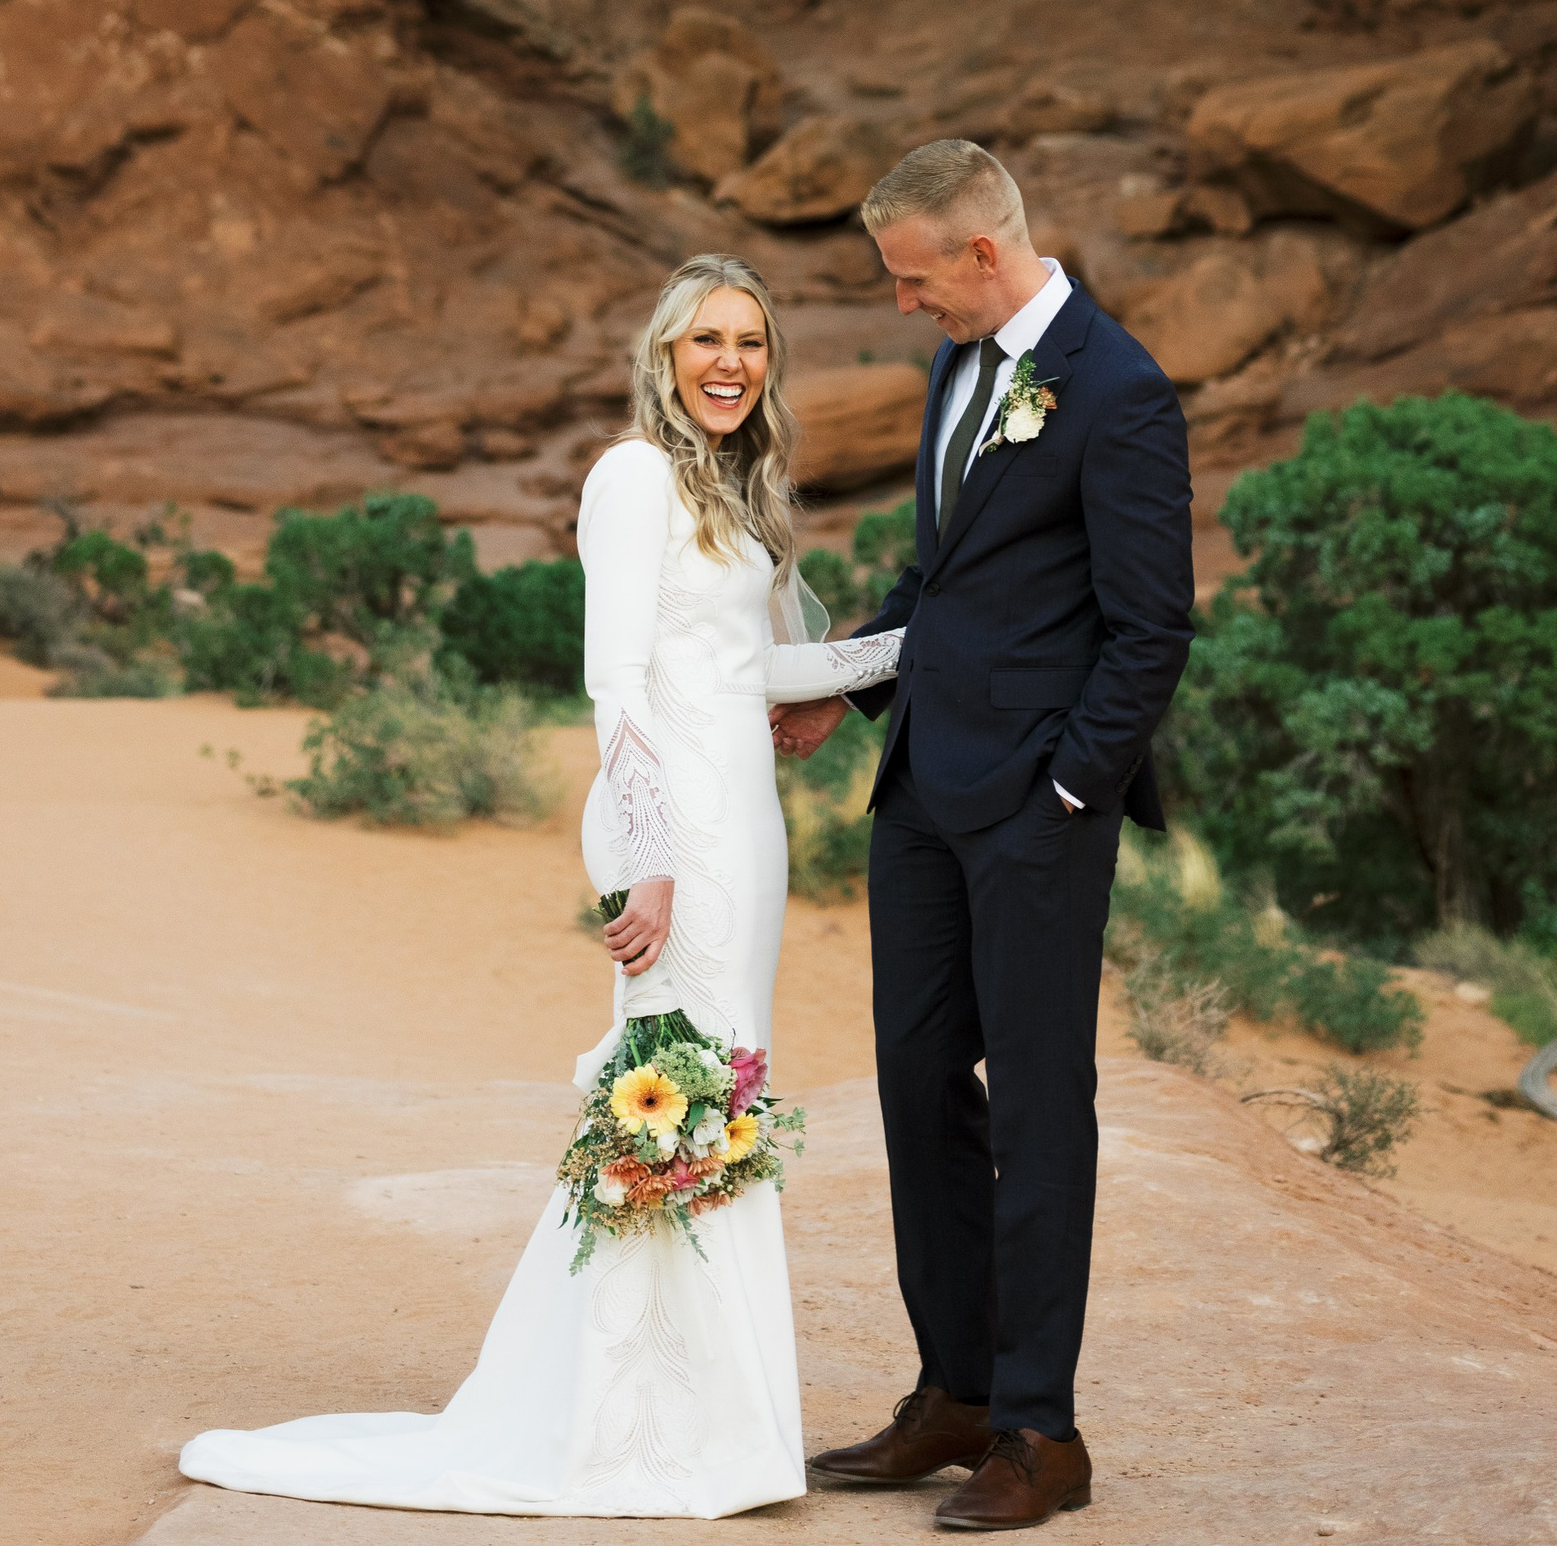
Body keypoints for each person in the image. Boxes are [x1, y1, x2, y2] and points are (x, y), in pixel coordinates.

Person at [177, 250, 896, 1518]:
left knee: (725, 1093)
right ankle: (630, 1423)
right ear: (664, 356)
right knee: (669, 1096)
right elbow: (616, 684)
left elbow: (746, 672)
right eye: (704, 340)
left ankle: (711, 1422)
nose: (730, 361)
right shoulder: (630, 478)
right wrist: (648, 856)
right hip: (679, 841)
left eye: (751, 340)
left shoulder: (736, 493)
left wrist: (924, 638)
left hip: (751, 837)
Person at [770, 139, 1192, 1533]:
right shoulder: (962, 364)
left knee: (1037, 1107)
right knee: (911, 1087)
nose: (903, 305)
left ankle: (1037, 1428)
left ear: (982, 255)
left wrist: (1068, 792)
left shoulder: (1118, 391)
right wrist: (847, 684)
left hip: (1033, 816)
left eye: (911, 279)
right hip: (920, 798)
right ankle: (952, 1388)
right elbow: (936, 576)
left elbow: (1149, 629)